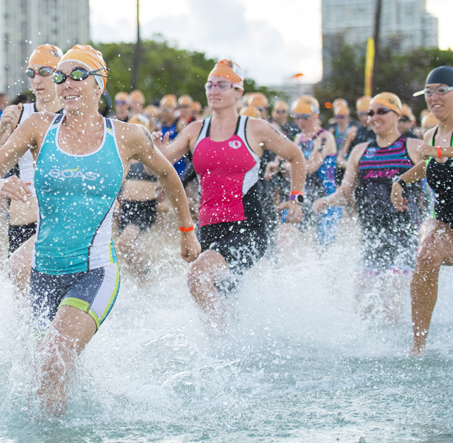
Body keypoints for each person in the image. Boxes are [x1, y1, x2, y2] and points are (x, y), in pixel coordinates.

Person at [0, 45, 198, 416]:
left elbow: (168, 174)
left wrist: (186, 230)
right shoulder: (37, 127)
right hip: (43, 274)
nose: (66, 83)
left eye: (78, 75)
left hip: (94, 272)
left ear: (100, 84)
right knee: (45, 374)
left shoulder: (126, 136)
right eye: (60, 76)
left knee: (51, 361)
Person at [160, 60, 305, 333]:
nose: (214, 90)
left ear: (238, 91)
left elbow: (295, 155)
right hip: (209, 228)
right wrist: (154, 150)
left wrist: (296, 196)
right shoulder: (195, 130)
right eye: (210, 85)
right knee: (224, 294)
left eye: (223, 85)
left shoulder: (254, 128)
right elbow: (158, 164)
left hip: (247, 228)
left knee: (198, 277)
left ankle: (223, 347)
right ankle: (240, 345)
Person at [391, 66, 453, 355]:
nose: (434, 97)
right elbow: (430, 164)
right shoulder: (432, 133)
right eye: (429, 92)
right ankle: (418, 346)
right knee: (428, 253)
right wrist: (401, 179)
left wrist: (441, 151)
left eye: (441, 91)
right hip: (446, 224)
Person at [314, 93, 423, 319]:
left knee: (393, 302)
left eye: (382, 111)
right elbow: (345, 192)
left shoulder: (413, 146)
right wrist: (326, 201)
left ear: (397, 114)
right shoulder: (360, 150)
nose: (374, 116)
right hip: (373, 238)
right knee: (361, 306)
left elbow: (438, 183)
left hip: (406, 237)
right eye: (370, 112)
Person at [0, 45, 64, 260]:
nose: (37, 80)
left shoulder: (73, 114)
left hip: (61, 219)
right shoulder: (19, 113)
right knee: (22, 287)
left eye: (44, 72)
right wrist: (0, 130)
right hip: (22, 218)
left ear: (60, 74)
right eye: (31, 73)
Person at [288, 96, 339, 247]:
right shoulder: (298, 137)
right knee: (286, 237)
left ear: (315, 115)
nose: (300, 122)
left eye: (305, 117)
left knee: (322, 249)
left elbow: (312, 166)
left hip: (325, 198)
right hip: (303, 196)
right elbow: (283, 162)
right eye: (296, 117)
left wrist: (288, 165)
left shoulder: (324, 137)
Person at [114, 114, 160, 282]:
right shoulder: (123, 156)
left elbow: (152, 171)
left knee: (125, 243)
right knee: (124, 247)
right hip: (126, 207)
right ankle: (141, 282)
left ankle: (148, 273)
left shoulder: (149, 154)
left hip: (143, 207)